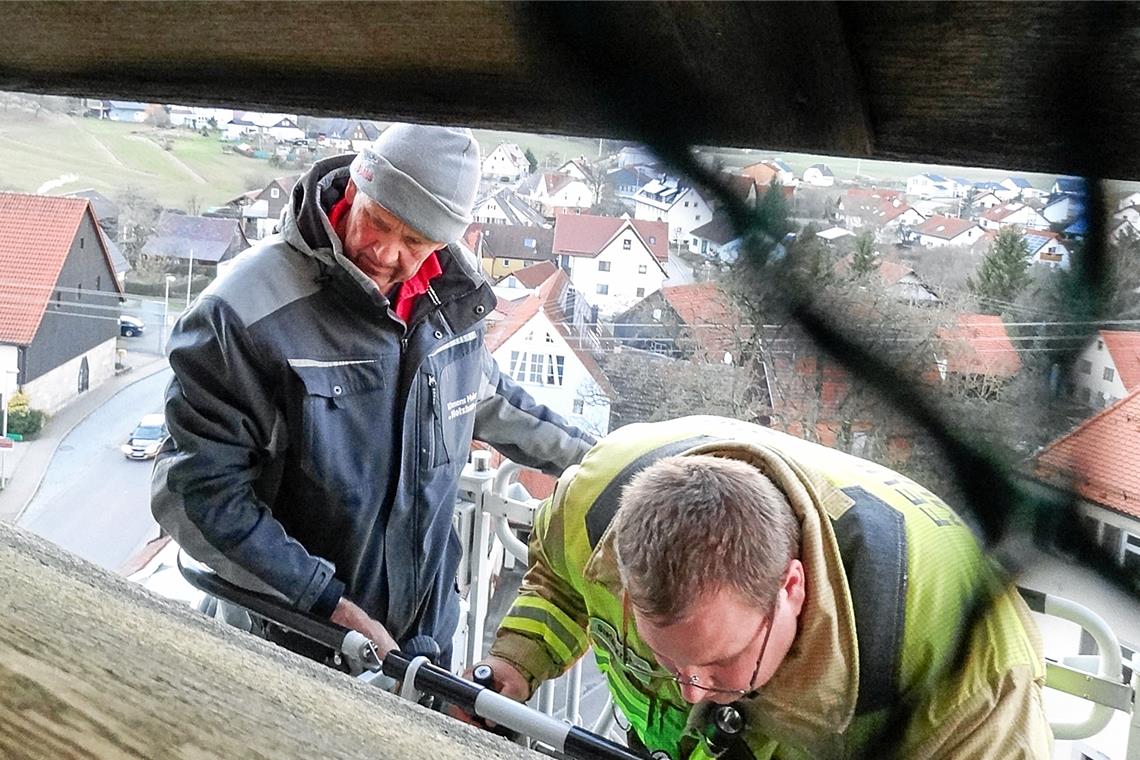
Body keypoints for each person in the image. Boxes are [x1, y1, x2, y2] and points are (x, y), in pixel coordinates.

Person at [151, 123, 595, 667]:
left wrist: (614, 463)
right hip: (290, 642)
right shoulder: (243, 312)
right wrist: (327, 605)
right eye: (377, 222)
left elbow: (491, 401)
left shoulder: (450, 305)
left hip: (423, 648)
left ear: (445, 241)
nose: (386, 253)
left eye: (415, 242)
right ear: (355, 186)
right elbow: (194, 493)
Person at [473, 416, 1052, 759]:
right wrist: (515, 664)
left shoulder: (970, 666)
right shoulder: (595, 506)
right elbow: (562, 582)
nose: (693, 692)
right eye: (665, 659)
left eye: (722, 662)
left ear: (791, 587)